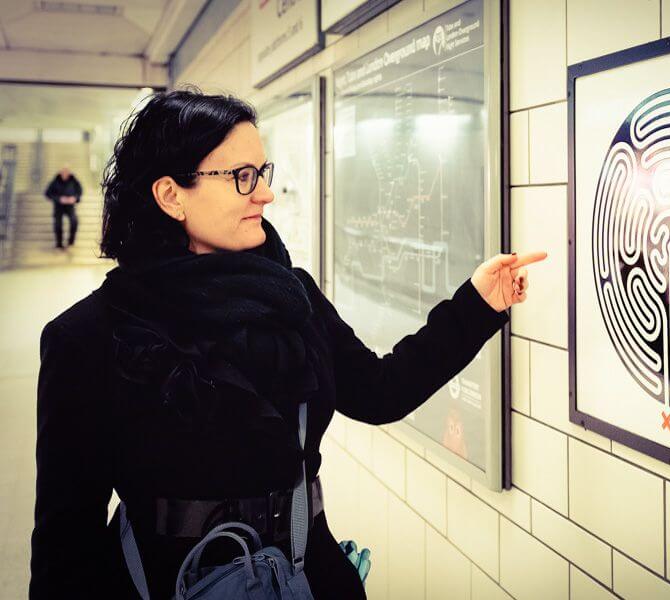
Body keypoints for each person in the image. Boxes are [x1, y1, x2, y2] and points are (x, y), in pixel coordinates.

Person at [29, 89, 545, 599]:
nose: (265, 194)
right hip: (169, 582)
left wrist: (477, 304)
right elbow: (65, 539)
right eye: (241, 177)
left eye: (262, 171)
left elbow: (380, 391)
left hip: (304, 577)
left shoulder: (290, 296)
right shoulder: (88, 336)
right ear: (171, 196)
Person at [44, 166, 82, 249]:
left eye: (67, 173)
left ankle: (71, 241)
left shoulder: (74, 181)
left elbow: (79, 192)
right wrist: (59, 199)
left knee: (74, 221)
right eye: (63, 173)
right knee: (58, 224)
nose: (65, 174)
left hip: (70, 206)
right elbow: (47, 193)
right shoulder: (55, 181)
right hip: (58, 207)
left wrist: (75, 198)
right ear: (60, 173)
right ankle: (59, 243)